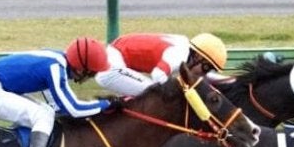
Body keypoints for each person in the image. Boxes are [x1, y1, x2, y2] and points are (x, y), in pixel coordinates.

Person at [95, 32, 227, 96]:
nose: (203, 73)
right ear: (198, 56)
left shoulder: (185, 46)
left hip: (116, 58)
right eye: (206, 68)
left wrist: (230, 81)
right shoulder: (179, 54)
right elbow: (158, 75)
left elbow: (206, 79)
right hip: (111, 68)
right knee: (154, 95)